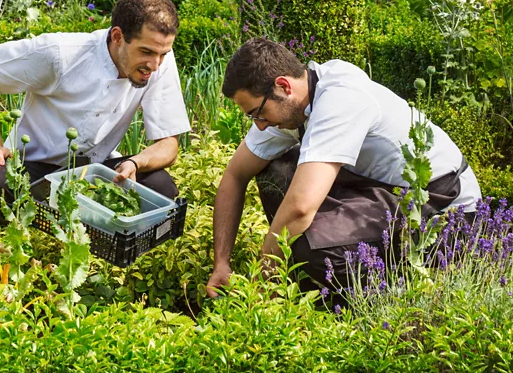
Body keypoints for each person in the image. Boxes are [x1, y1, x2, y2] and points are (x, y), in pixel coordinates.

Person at [206, 38, 482, 297]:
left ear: (283, 87)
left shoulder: (340, 96)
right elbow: (235, 175)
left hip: (442, 210)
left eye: (258, 113)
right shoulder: (293, 105)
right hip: (379, 188)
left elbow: (301, 207)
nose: (260, 125)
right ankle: (315, 277)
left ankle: (374, 296)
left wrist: (260, 280)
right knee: (275, 172)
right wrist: (221, 263)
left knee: (306, 241)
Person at [0, 0, 191, 229]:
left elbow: (169, 144)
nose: (155, 66)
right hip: (33, 169)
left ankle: (90, 238)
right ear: (117, 36)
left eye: (163, 54)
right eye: (146, 52)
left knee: (160, 186)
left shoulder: (158, 62)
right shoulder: (61, 53)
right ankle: (17, 238)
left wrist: (136, 163)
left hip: (93, 173)